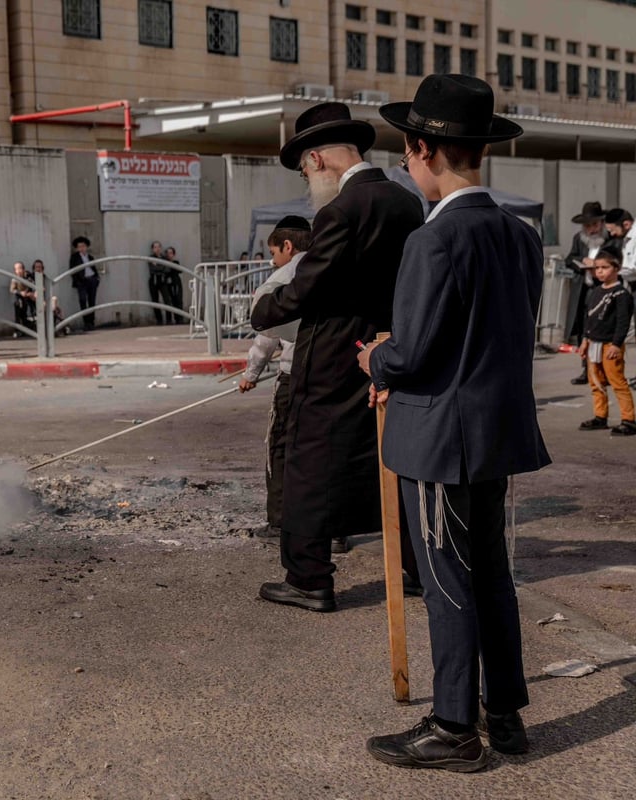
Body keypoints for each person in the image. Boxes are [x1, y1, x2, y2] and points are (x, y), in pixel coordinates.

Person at [360, 73, 551, 772]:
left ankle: (452, 726)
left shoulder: (433, 241)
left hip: (442, 438)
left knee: (447, 582)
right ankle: (504, 715)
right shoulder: (519, 235)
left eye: (406, 152)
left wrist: (377, 359)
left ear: (422, 148)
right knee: (492, 577)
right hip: (496, 431)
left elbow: (413, 352)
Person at [250, 101, 425, 613]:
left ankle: (309, 578)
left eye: (306, 169)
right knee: (387, 457)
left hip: (331, 351)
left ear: (317, 161)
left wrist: (264, 310)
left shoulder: (342, 209)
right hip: (387, 344)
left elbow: (309, 285)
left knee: (309, 459)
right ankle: (416, 567)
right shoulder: (405, 201)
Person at [239, 216, 311, 538]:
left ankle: (280, 522)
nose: (272, 260)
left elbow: (267, 333)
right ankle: (333, 530)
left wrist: (250, 373)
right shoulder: (326, 268)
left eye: (273, 252)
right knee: (319, 451)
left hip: (291, 376)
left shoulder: (288, 278)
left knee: (280, 449)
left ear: (287, 245)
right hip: (325, 376)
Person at [578, 245, 636, 436]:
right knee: (596, 383)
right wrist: (585, 340)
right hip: (593, 343)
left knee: (618, 382)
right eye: (597, 268)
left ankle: (629, 420)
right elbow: (589, 318)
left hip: (610, 345)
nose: (600, 271)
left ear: (617, 269)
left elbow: (622, 322)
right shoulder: (595, 291)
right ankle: (600, 416)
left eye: (605, 267)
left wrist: (617, 344)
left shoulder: (621, 294)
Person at [563, 201, 608, 384]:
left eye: (595, 224)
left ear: (601, 223)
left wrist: (596, 265)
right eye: (588, 225)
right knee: (584, 331)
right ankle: (586, 368)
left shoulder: (609, 240)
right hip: (583, 291)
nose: (592, 229)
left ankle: (603, 371)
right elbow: (569, 259)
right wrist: (582, 261)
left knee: (602, 331)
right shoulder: (578, 239)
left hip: (601, 290)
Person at [69, 235, 100, 331]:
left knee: (92, 301)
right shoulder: (74, 257)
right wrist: (77, 281)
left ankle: (91, 322)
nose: (81, 248)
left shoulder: (90, 257)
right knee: (83, 301)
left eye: (83, 246)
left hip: (91, 279)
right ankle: (86, 322)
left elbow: (94, 268)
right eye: (79, 247)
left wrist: (97, 278)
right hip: (82, 282)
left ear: (86, 247)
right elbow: (72, 270)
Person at [604, 207, 636, 287]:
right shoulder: (626, 238)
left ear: (626, 225)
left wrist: (612, 270)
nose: (612, 234)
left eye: (613, 230)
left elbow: (633, 268)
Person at [147, 240, 170, 325]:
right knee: (155, 301)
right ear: (152, 249)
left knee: (167, 300)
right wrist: (161, 267)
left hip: (163, 281)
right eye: (155, 247)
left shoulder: (164, 258)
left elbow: (167, 269)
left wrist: (158, 266)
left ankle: (169, 320)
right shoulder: (150, 258)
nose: (157, 249)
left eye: (159, 247)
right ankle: (159, 320)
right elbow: (153, 269)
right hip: (154, 280)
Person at [10, 261, 35, 336]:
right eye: (16, 269)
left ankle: (30, 328)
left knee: (29, 314)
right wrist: (20, 293)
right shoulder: (15, 279)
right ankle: (17, 331)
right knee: (18, 315)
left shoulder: (28, 277)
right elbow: (12, 289)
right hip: (19, 299)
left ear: (24, 269)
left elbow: (33, 285)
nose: (18, 271)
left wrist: (30, 292)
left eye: (20, 268)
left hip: (29, 298)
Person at [164, 245, 184, 322]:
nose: (169, 255)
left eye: (171, 253)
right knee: (170, 300)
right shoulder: (164, 262)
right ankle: (170, 319)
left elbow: (179, 270)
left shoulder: (176, 262)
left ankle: (179, 319)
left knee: (178, 300)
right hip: (169, 283)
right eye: (168, 253)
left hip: (176, 282)